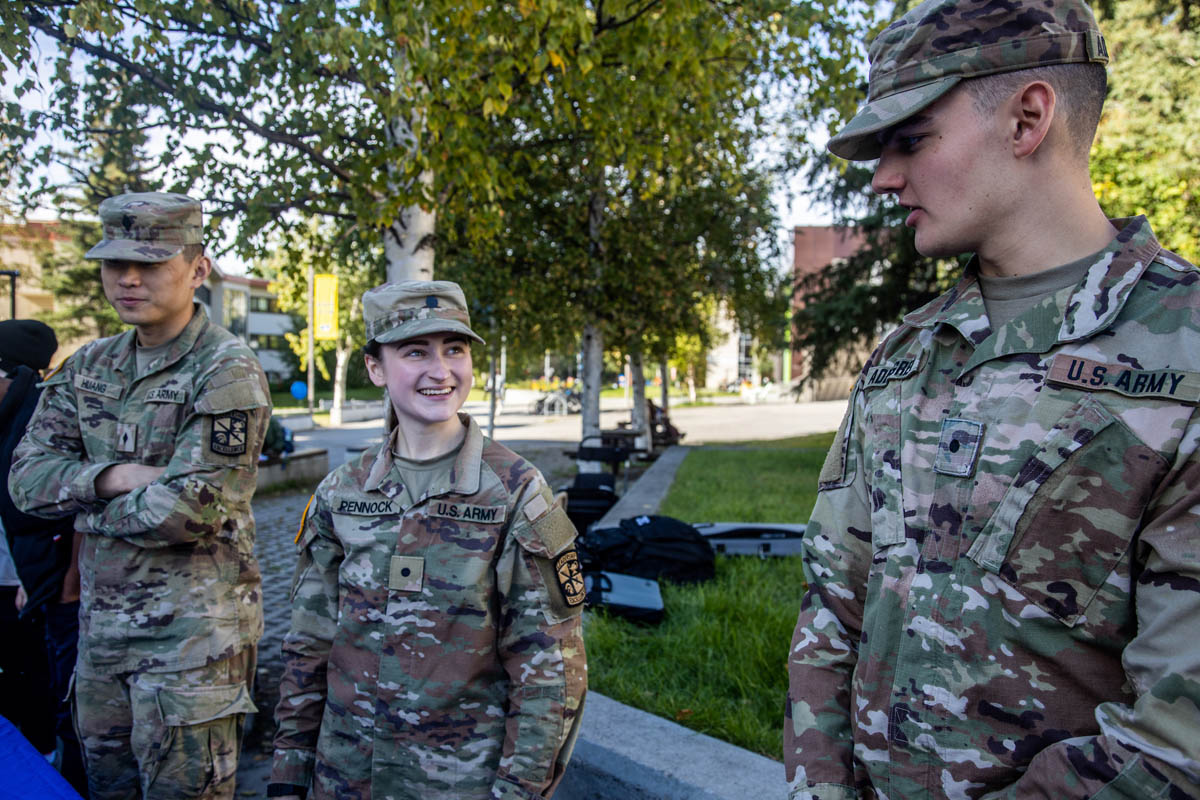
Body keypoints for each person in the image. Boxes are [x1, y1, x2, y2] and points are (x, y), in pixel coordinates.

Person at [784, 1, 1200, 798]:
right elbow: (830, 610)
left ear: (1028, 119)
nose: (882, 178)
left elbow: (1176, 737)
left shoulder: (1182, 353)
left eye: (910, 140)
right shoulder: (906, 356)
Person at [269, 280, 587, 800]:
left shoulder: (519, 492)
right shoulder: (340, 492)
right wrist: (288, 773)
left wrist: (520, 789)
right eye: (415, 351)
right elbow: (309, 646)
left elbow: (552, 669)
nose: (440, 371)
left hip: (460, 783)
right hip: (344, 778)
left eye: (454, 350)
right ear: (375, 368)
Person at [9, 191, 272, 800]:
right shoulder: (88, 366)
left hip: (191, 656)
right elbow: (24, 482)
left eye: (149, 263)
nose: (127, 278)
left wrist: (81, 507)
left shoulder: (225, 370)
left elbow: (190, 510)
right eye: (114, 263)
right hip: (102, 645)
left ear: (197, 268)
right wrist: (111, 478)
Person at [0, 318, 87, 794]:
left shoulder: (40, 416)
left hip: (60, 591)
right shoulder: (10, 418)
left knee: (63, 697)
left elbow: (74, 506)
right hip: (28, 584)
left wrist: (68, 586)